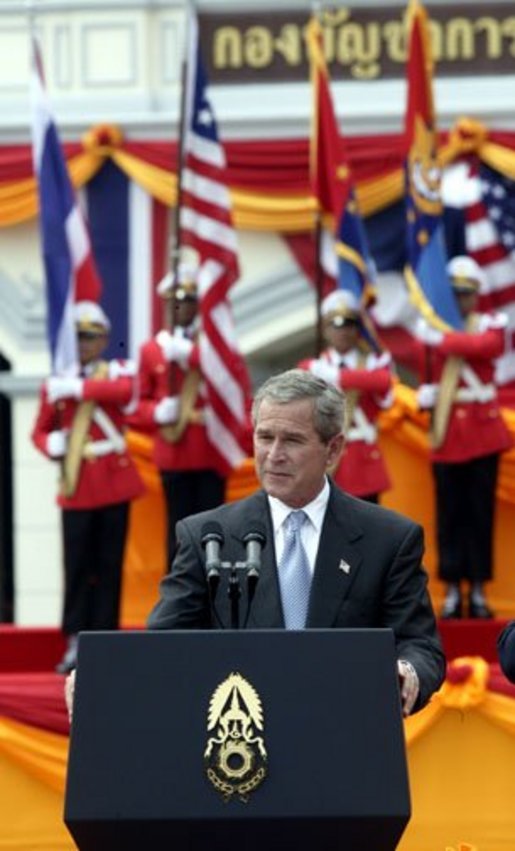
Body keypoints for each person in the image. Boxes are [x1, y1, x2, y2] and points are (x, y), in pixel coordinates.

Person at [147, 368, 445, 716]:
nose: (274, 454)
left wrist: (406, 672)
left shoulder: (389, 539)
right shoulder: (206, 537)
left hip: (346, 730)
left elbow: (420, 645)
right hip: (238, 742)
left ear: (332, 450)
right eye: (265, 437)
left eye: (291, 440)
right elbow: (161, 647)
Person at [32, 301, 144, 673]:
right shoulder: (57, 381)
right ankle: (75, 639)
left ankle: (105, 638)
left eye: (91, 337)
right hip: (77, 483)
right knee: (77, 566)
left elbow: (125, 392)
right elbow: (40, 430)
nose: (84, 344)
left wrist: (77, 387)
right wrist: (51, 445)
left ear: (105, 340)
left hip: (112, 479)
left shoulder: (115, 370)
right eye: (78, 337)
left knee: (109, 565)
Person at [416, 255, 512, 620]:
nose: (460, 300)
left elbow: (482, 347)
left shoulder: (490, 323)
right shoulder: (436, 327)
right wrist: (428, 392)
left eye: (466, 294)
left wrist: (439, 337)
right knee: (449, 514)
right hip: (447, 432)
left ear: (477, 294)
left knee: (479, 514)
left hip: (482, 432)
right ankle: (454, 588)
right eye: (454, 294)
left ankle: (480, 588)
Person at [135, 262, 229, 568]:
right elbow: (136, 406)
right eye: (175, 301)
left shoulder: (213, 345)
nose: (181, 308)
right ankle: (177, 603)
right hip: (174, 449)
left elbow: (230, 373)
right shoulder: (152, 350)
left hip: (210, 449)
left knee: (213, 530)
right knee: (177, 529)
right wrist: (157, 411)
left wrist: (189, 354)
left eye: (188, 301)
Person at [298, 289, 393, 503]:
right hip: (327, 461)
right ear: (325, 329)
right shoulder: (312, 367)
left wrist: (336, 376)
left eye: (349, 324)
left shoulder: (373, 363)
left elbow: (383, 381)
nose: (343, 331)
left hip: (363, 460)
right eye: (336, 325)